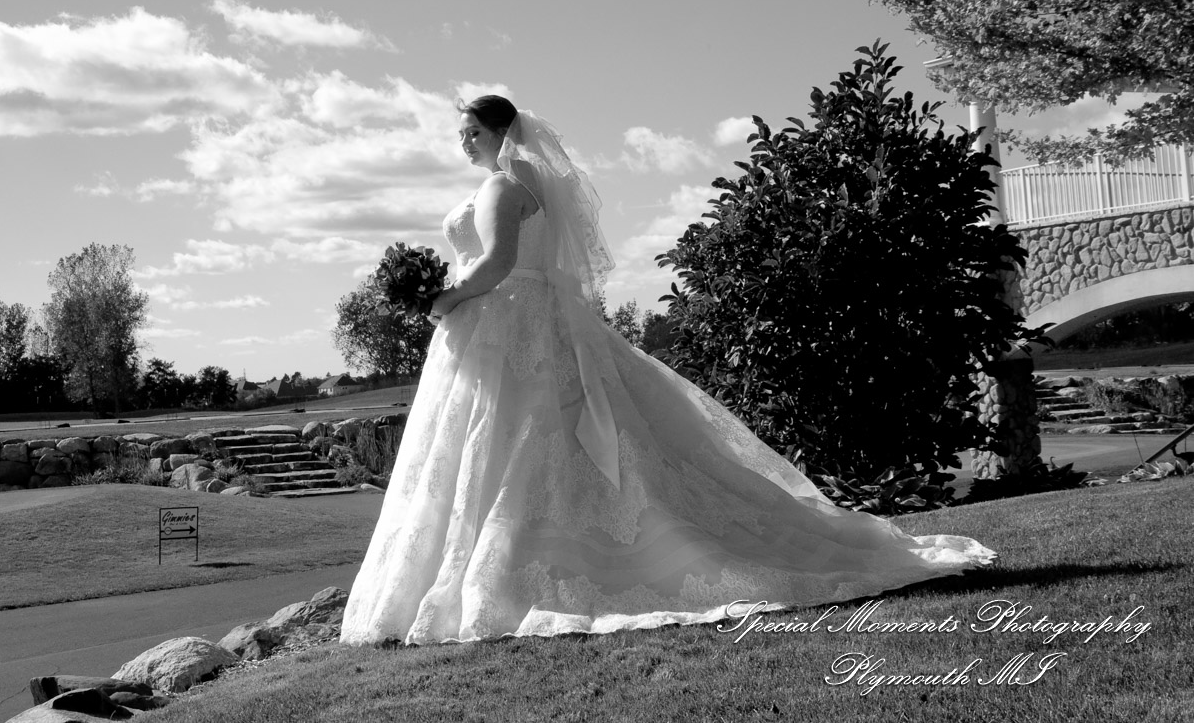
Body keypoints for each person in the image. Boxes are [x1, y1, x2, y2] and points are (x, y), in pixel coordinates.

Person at [338, 95, 995, 646]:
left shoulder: (502, 188)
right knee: (532, 440)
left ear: (500, 133)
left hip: (504, 327)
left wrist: (443, 298)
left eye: (472, 133)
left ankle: (503, 575)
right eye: (461, 135)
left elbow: (497, 264)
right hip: (532, 326)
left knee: (509, 441)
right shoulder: (532, 186)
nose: (464, 143)